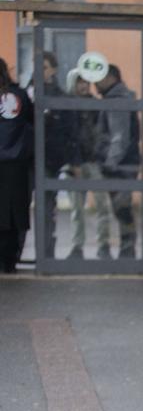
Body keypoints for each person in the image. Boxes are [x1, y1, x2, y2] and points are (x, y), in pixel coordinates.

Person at [94, 64, 140, 259]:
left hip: (121, 165)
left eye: (99, 79)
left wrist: (110, 163)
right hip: (124, 163)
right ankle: (127, 248)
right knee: (121, 208)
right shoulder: (118, 98)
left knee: (122, 208)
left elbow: (119, 137)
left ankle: (127, 249)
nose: (96, 84)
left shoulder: (116, 100)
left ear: (111, 78)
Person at [66, 68, 112, 260]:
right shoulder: (66, 105)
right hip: (73, 164)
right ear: (72, 83)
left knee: (103, 206)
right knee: (77, 209)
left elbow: (105, 134)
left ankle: (104, 246)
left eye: (86, 81)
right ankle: (77, 247)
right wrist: (72, 162)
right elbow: (67, 137)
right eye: (79, 81)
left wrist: (102, 159)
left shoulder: (97, 106)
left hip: (94, 163)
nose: (83, 85)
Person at [40, 52, 76, 259]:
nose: (39, 71)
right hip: (24, 160)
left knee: (45, 210)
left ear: (53, 70)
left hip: (49, 160)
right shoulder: (25, 92)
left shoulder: (60, 97)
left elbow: (68, 131)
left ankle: (46, 254)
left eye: (43, 67)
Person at [0, 57, 34, 273]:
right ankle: (10, 260)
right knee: (14, 214)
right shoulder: (20, 95)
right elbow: (31, 123)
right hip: (17, 165)